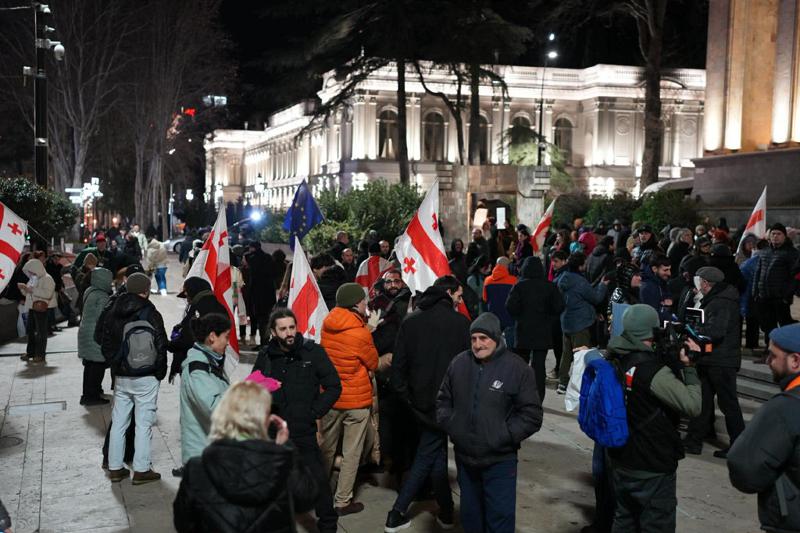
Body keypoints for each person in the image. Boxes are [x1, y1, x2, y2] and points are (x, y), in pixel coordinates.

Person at [436, 312, 543, 533]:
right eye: (474, 339)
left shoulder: (517, 368)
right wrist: (455, 427)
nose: (477, 344)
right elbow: (443, 401)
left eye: (483, 338)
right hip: (466, 459)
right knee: (471, 518)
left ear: (496, 338)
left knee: (500, 520)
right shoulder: (459, 363)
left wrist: (502, 435)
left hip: (500, 461)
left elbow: (531, 415)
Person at [384, 276, 470, 532]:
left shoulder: (411, 322)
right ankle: (396, 513)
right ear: (449, 293)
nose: (461, 300)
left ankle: (444, 510)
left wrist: (409, 401)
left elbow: (397, 371)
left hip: (419, 405)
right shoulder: (461, 324)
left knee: (435, 455)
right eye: (459, 295)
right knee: (427, 457)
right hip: (446, 405)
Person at [605, 304, 701, 533]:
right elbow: (692, 405)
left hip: (620, 458)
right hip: (652, 465)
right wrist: (689, 368)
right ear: (651, 331)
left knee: (624, 519)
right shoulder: (653, 372)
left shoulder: (614, 358)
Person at [173, 381, 318, 533]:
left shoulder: (197, 469)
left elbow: (183, 524)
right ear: (265, 419)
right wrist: (287, 449)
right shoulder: (281, 464)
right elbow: (307, 499)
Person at [253, 309, 342, 533]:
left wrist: (314, 412)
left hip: (304, 431)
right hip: (276, 432)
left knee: (319, 482)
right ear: (273, 332)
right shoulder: (265, 356)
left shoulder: (312, 352)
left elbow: (334, 386)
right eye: (283, 329)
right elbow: (254, 386)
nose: (289, 333)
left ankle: (328, 527)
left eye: (292, 327)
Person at [727, 323, 800, 533]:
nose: (768, 361)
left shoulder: (785, 408)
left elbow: (745, 470)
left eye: (773, 355)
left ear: (795, 361)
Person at [102, 273, 168, 485]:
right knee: (143, 424)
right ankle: (141, 469)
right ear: (146, 290)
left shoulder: (113, 309)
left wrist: (116, 364)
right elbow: (161, 344)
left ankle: (115, 467)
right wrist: (160, 371)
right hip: (146, 376)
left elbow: (104, 342)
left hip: (122, 376)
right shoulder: (150, 312)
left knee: (119, 422)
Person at [319, 283, 379, 516]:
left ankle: (319, 493)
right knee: (352, 452)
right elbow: (373, 363)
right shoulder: (360, 332)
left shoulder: (327, 325)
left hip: (331, 398)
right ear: (355, 304)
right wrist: (370, 330)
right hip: (356, 401)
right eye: (364, 301)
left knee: (326, 448)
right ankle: (342, 501)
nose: (367, 305)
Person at [682, 267, 745, 459]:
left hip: (721, 361)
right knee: (704, 401)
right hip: (712, 359)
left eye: (699, 282)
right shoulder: (716, 300)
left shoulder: (722, 303)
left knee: (728, 404)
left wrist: (695, 330)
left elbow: (716, 331)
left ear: (706, 284)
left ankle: (740, 446)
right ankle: (693, 441)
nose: (698, 285)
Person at [506, 256, 564, 402]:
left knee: (521, 365)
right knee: (539, 367)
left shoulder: (519, 286)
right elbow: (559, 306)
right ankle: (538, 397)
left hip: (523, 331)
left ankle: (519, 394)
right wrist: (549, 318)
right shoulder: (549, 286)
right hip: (542, 332)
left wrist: (520, 316)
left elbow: (510, 306)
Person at [179, 313, 231, 469]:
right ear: (212, 336)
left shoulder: (208, 361)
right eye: (226, 337)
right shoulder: (198, 370)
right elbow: (215, 408)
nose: (228, 343)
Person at [555, 252, 609, 394]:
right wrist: (603, 285)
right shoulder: (580, 282)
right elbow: (596, 298)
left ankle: (562, 382)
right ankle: (578, 385)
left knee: (566, 354)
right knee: (580, 355)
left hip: (566, 321)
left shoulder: (563, 278)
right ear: (580, 266)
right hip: (580, 323)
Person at [753, 223, 799, 362]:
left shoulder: (792, 253)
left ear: (784, 236)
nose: (775, 237)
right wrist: (755, 290)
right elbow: (758, 272)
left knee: (784, 325)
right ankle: (769, 353)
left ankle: (787, 353)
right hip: (764, 296)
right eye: (773, 234)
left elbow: (795, 276)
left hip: (780, 297)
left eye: (779, 234)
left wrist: (787, 294)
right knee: (768, 327)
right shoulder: (765, 251)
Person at [167, 277, 227, 384]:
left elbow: (188, 340)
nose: (187, 299)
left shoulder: (197, 309)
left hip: (196, 366)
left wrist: (170, 345)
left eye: (187, 294)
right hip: (216, 363)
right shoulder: (220, 308)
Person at [78, 267, 113, 406]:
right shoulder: (102, 296)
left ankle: (90, 392)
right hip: (95, 336)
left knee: (89, 365)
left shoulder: (90, 290)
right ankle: (91, 396)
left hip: (85, 332)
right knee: (97, 366)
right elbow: (103, 318)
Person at [18, 257, 56, 364]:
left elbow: (47, 294)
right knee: (30, 331)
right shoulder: (34, 278)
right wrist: (24, 289)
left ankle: (40, 354)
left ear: (36, 269)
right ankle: (30, 353)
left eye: (31, 271)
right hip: (32, 308)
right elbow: (28, 294)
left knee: (41, 332)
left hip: (41, 308)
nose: (29, 273)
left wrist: (31, 289)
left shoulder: (47, 278)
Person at [243, 240, 277, 344]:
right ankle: (265, 341)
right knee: (267, 318)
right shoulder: (268, 257)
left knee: (260, 318)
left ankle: (264, 342)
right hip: (269, 293)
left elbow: (247, 264)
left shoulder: (252, 258)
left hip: (257, 294)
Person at [483, 257, 518, 349]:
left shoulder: (487, 280)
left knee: (494, 346)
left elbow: (485, 298)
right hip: (509, 316)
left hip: (494, 316)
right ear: (507, 266)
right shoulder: (514, 280)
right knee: (511, 346)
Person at [639, 254, 674, 323]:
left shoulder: (660, 280)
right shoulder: (648, 288)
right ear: (654, 269)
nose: (669, 273)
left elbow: (667, 297)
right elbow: (652, 315)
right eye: (665, 270)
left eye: (669, 269)